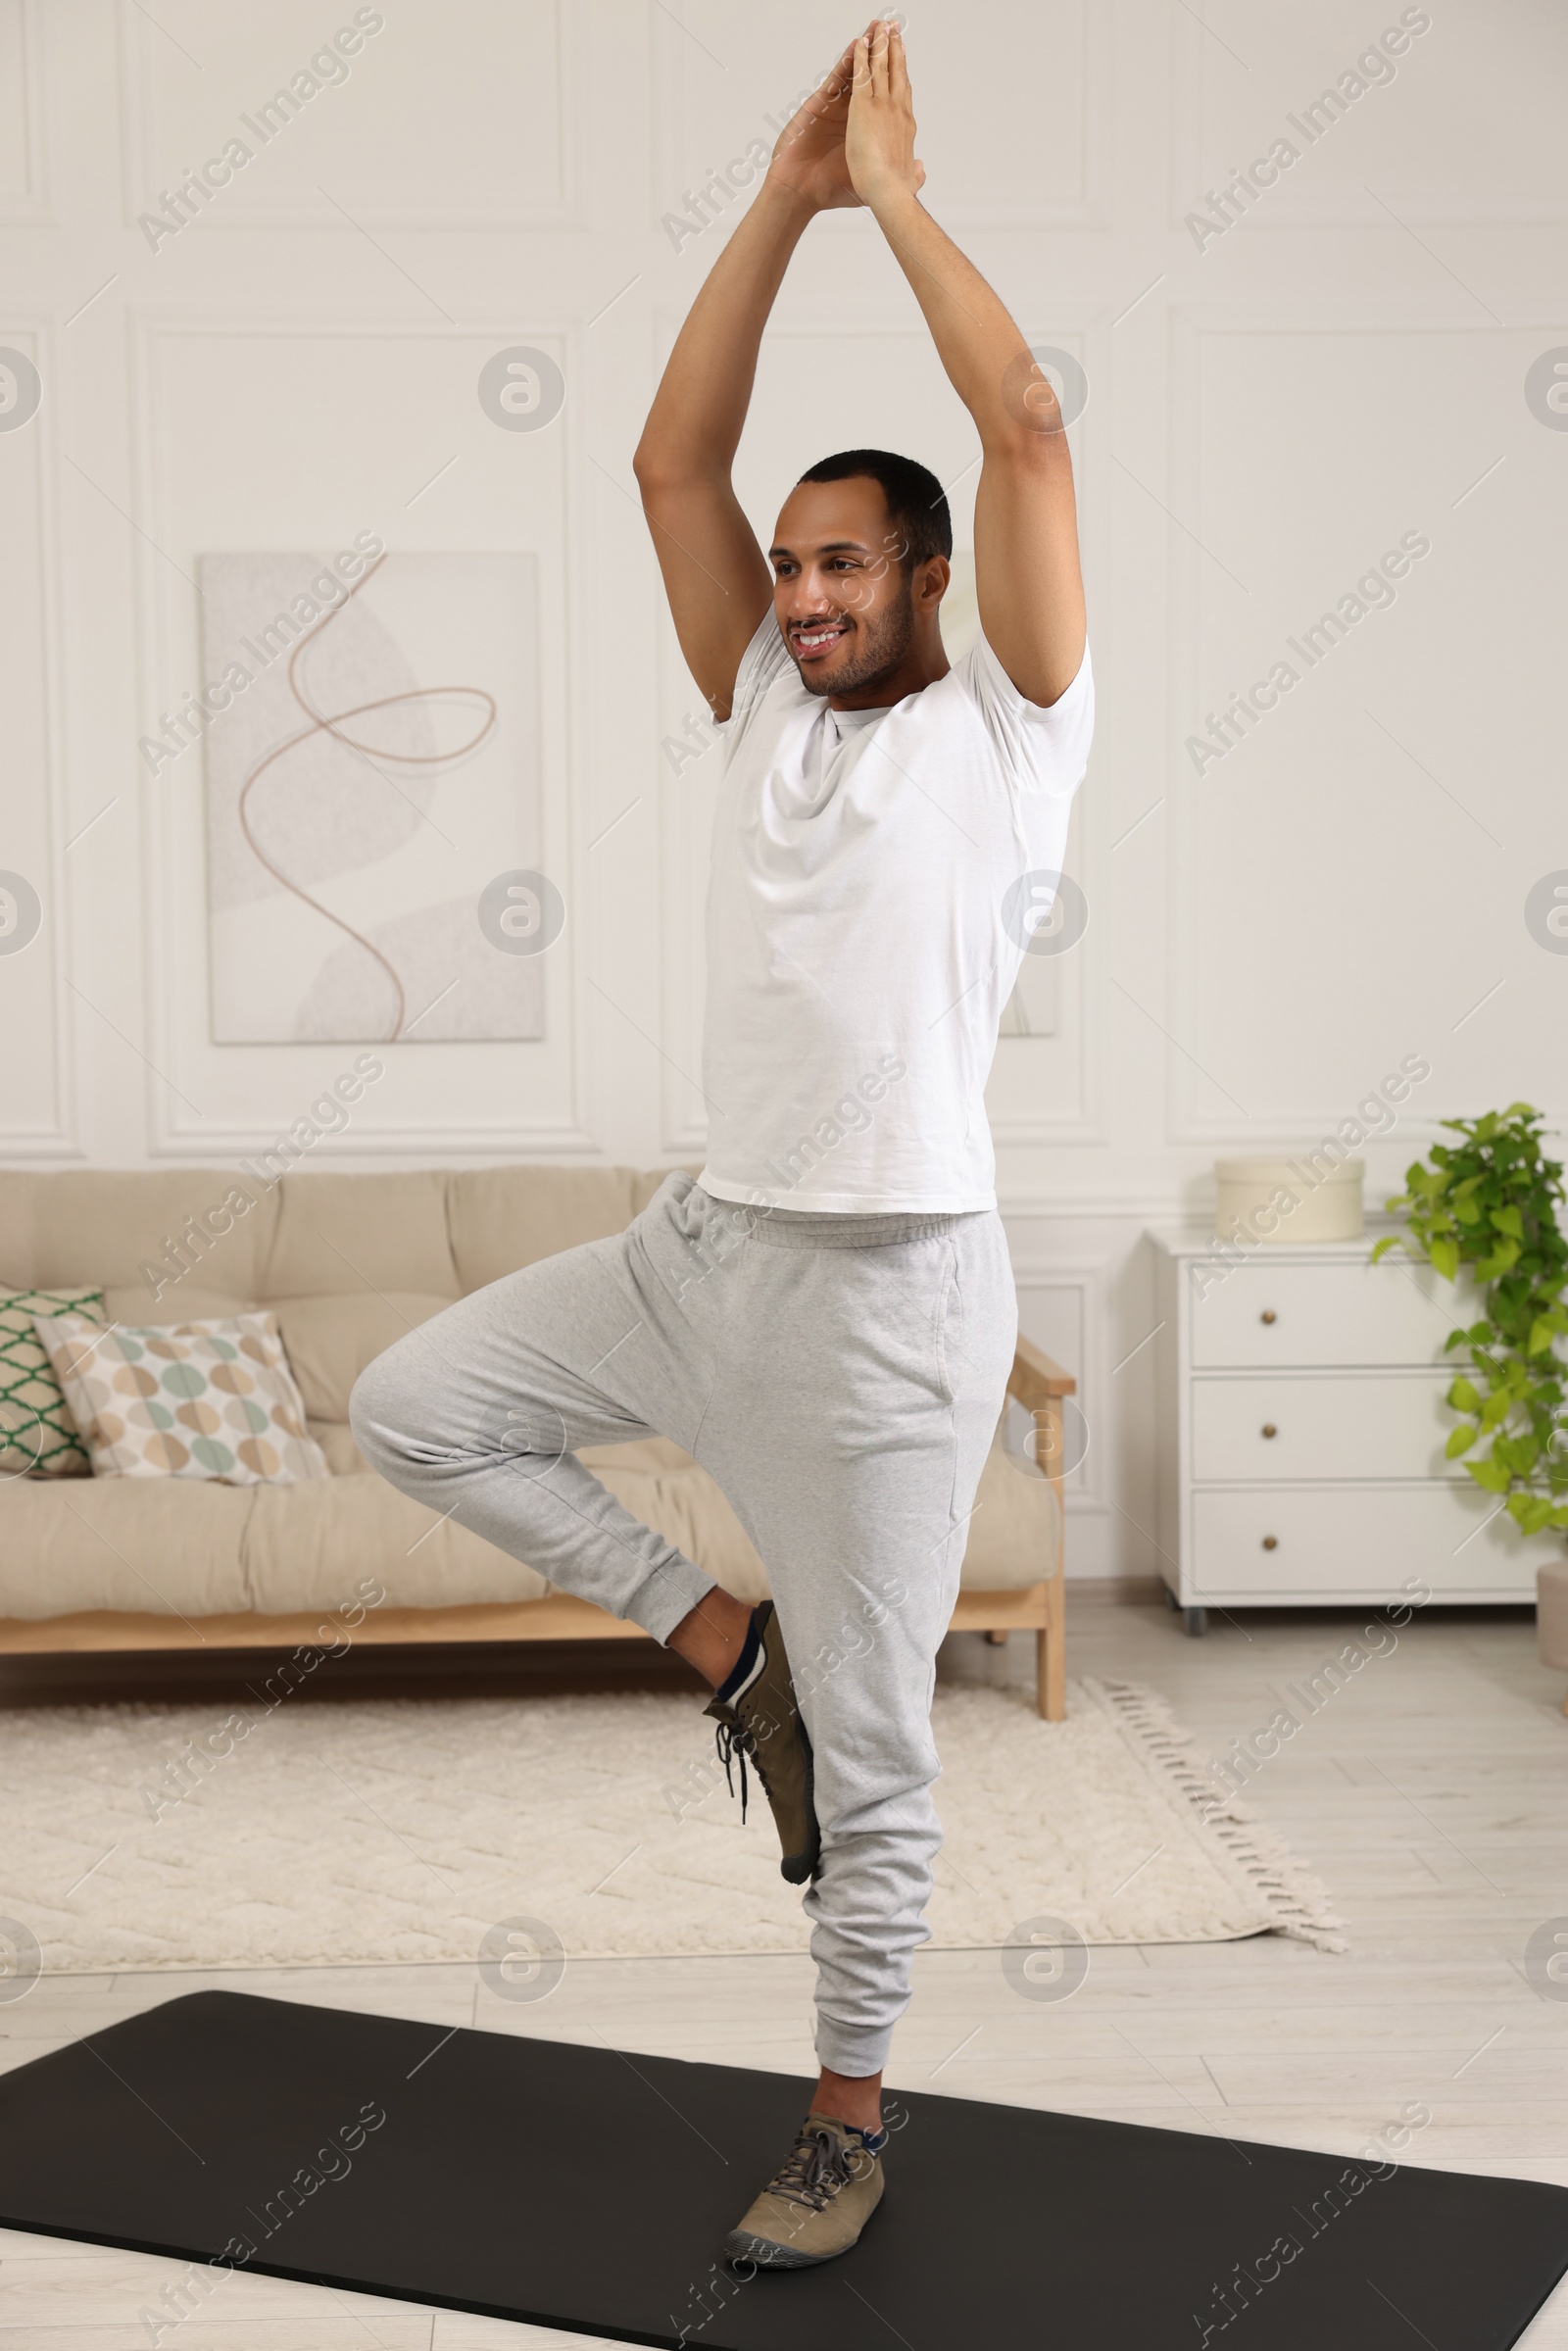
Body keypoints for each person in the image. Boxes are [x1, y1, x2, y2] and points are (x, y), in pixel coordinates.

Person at [350, 17, 1090, 2272]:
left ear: (928, 579)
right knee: (413, 1407)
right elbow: (670, 461)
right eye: (788, 566)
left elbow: (1026, 416)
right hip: (702, 1247)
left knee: (882, 1760)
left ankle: (845, 2121)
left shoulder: (1012, 728)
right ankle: (718, 1648)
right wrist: (777, 199)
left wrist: (892, 201)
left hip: (887, 1296)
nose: (798, 594)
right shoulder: (760, 704)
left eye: (842, 566)